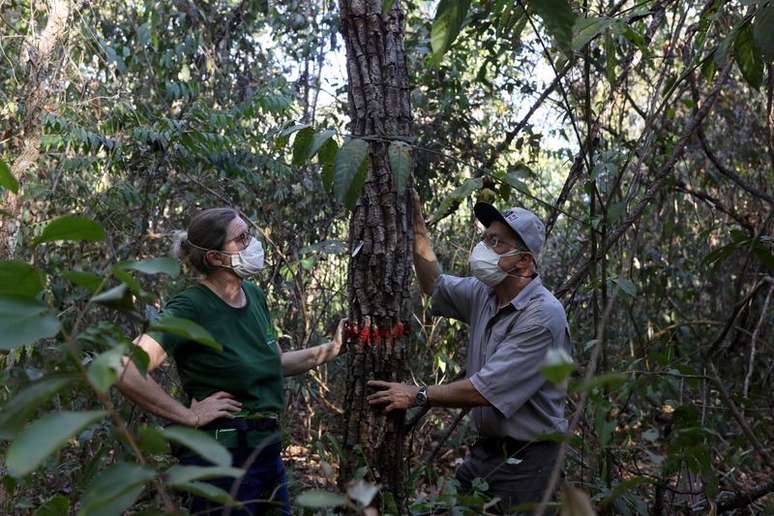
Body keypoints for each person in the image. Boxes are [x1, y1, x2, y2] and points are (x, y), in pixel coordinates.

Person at [116, 207, 345, 516]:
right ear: (215, 258)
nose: (252, 244)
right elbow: (125, 368)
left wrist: (332, 348)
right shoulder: (191, 306)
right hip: (221, 458)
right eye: (241, 238)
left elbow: (272, 362)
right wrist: (188, 416)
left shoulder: (253, 295)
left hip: (266, 452)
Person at [367, 193, 572, 513]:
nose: (485, 248)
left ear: (524, 261)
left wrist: (417, 394)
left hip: (529, 462)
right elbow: (433, 284)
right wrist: (417, 227)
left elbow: (483, 390)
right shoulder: (485, 293)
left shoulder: (543, 316)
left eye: (498, 243)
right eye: (486, 238)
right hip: (486, 453)